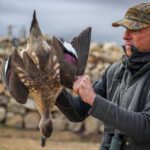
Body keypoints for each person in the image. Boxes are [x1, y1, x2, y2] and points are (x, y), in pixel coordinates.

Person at [56, 3, 150, 150]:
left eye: (134, 29)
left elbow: (146, 128)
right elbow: (78, 112)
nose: (125, 36)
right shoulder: (114, 71)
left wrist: (93, 99)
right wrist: (51, 88)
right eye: (125, 29)